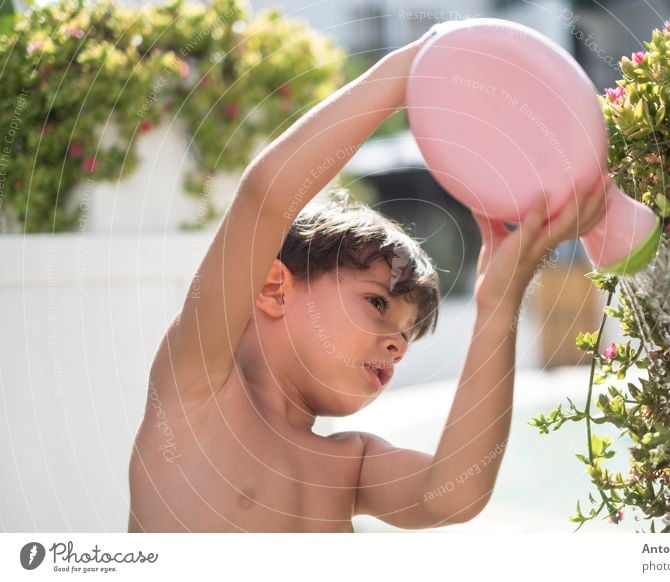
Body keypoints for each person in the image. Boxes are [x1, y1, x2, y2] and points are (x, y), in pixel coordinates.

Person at [127, 26, 608, 532]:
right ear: (274, 288)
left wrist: (499, 305)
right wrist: (415, 68)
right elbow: (266, 197)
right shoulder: (199, 392)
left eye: (405, 334)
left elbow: (452, 496)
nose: (399, 347)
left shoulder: (349, 465)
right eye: (378, 303)